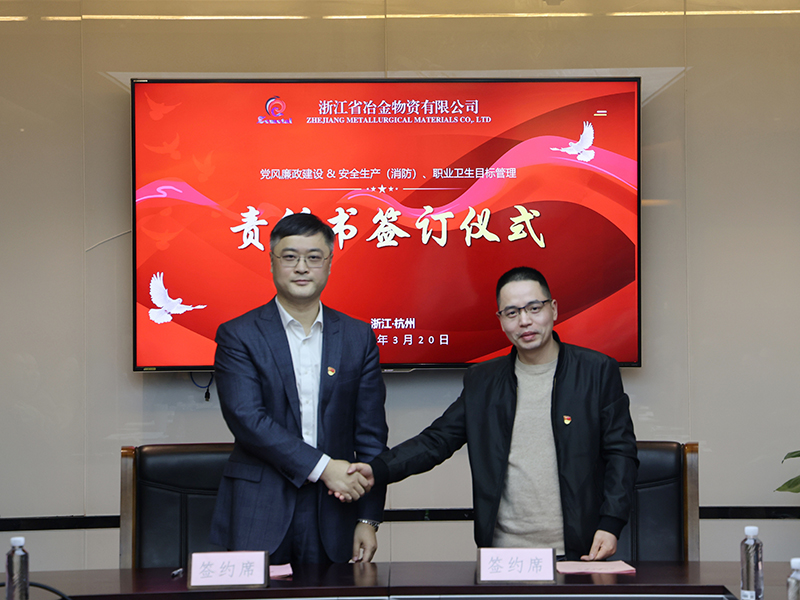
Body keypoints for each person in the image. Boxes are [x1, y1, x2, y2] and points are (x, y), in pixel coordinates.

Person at [349, 266, 638, 561]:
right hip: (503, 553)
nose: (524, 321)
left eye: (534, 308)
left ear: (553, 309)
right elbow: (436, 441)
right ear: (500, 321)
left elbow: (621, 453)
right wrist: (378, 469)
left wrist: (611, 523)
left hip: (578, 550)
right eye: (512, 313)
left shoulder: (596, 371)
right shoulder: (483, 381)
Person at [210, 212, 388, 565]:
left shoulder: (357, 337)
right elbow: (248, 419)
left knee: (333, 592)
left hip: (336, 510)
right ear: (272, 262)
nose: (302, 268)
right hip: (260, 506)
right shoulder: (238, 335)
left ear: (329, 263)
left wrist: (368, 518)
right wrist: (325, 468)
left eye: (314, 257)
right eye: (290, 257)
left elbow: (371, 436)